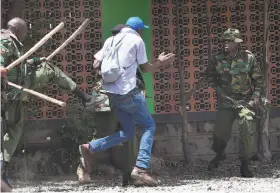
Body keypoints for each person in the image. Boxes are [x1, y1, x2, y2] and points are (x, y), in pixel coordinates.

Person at [0, 17, 106, 189]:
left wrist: (34, 61)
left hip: (15, 92)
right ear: (18, 29)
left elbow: (17, 64)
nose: (26, 34)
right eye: (25, 31)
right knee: (50, 70)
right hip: (13, 90)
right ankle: (85, 98)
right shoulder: (5, 40)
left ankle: (1, 176)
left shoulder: (10, 40)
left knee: (13, 131)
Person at [77, 17, 175, 186]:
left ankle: (90, 147)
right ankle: (140, 169)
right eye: (142, 30)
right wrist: (160, 62)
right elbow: (146, 69)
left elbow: (95, 64)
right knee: (148, 126)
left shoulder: (110, 40)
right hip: (128, 92)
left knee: (128, 132)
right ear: (139, 30)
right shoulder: (137, 40)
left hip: (111, 93)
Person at [206, 28, 264, 177]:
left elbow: (258, 80)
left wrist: (255, 97)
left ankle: (245, 164)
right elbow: (210, 77)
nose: (226, 43)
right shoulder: (217, 58)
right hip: (226, 102)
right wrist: (218, 89)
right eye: (224, 40)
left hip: (244, 101)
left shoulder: (248, 58)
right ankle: (220, 153)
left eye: (229, 41)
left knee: (246, 128)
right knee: (220, 134)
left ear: (237, 43)